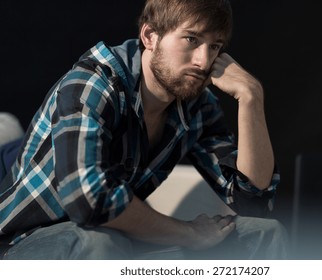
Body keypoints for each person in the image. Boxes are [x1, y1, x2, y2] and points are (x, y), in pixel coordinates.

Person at [0, 0, 288, 259]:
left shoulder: (197, 106)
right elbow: (89, 201)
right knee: (97, 242)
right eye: (191, 39)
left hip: (116, 235)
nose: (203, 61)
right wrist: (189, 233)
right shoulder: (93, 84)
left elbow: (252, 200)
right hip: (21, 244)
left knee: (262, 233)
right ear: (150, 36)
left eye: (215, 46)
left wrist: (251, 97)